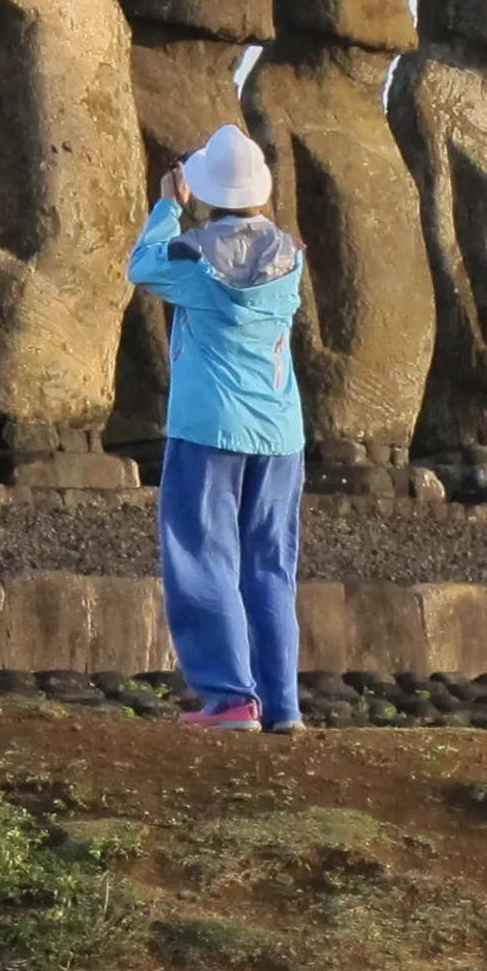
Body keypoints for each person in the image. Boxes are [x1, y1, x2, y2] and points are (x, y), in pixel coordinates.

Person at [129, 123, 309, 731]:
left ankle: (231, 697)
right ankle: (281, 704)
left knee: (202, 556)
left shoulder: (192, 252)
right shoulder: (291, 255)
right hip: (281, 432)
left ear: (204, 187)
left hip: (209, 427)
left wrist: (166, 206)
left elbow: (142, 267)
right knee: (269, 566)